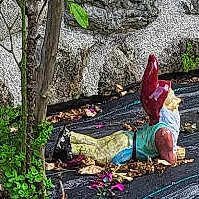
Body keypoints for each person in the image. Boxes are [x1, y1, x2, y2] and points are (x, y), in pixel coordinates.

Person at [48, 56, 185, 169]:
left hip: (126, 137)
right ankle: (69, 147)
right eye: (171, 95)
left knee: (98, 143)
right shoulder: (165, 133)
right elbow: (169, 159)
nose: (175, 98)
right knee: (99, 153)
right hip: (127, 147)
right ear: (165, 104)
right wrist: (176, 153)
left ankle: (71, 136)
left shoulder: (158, 123)